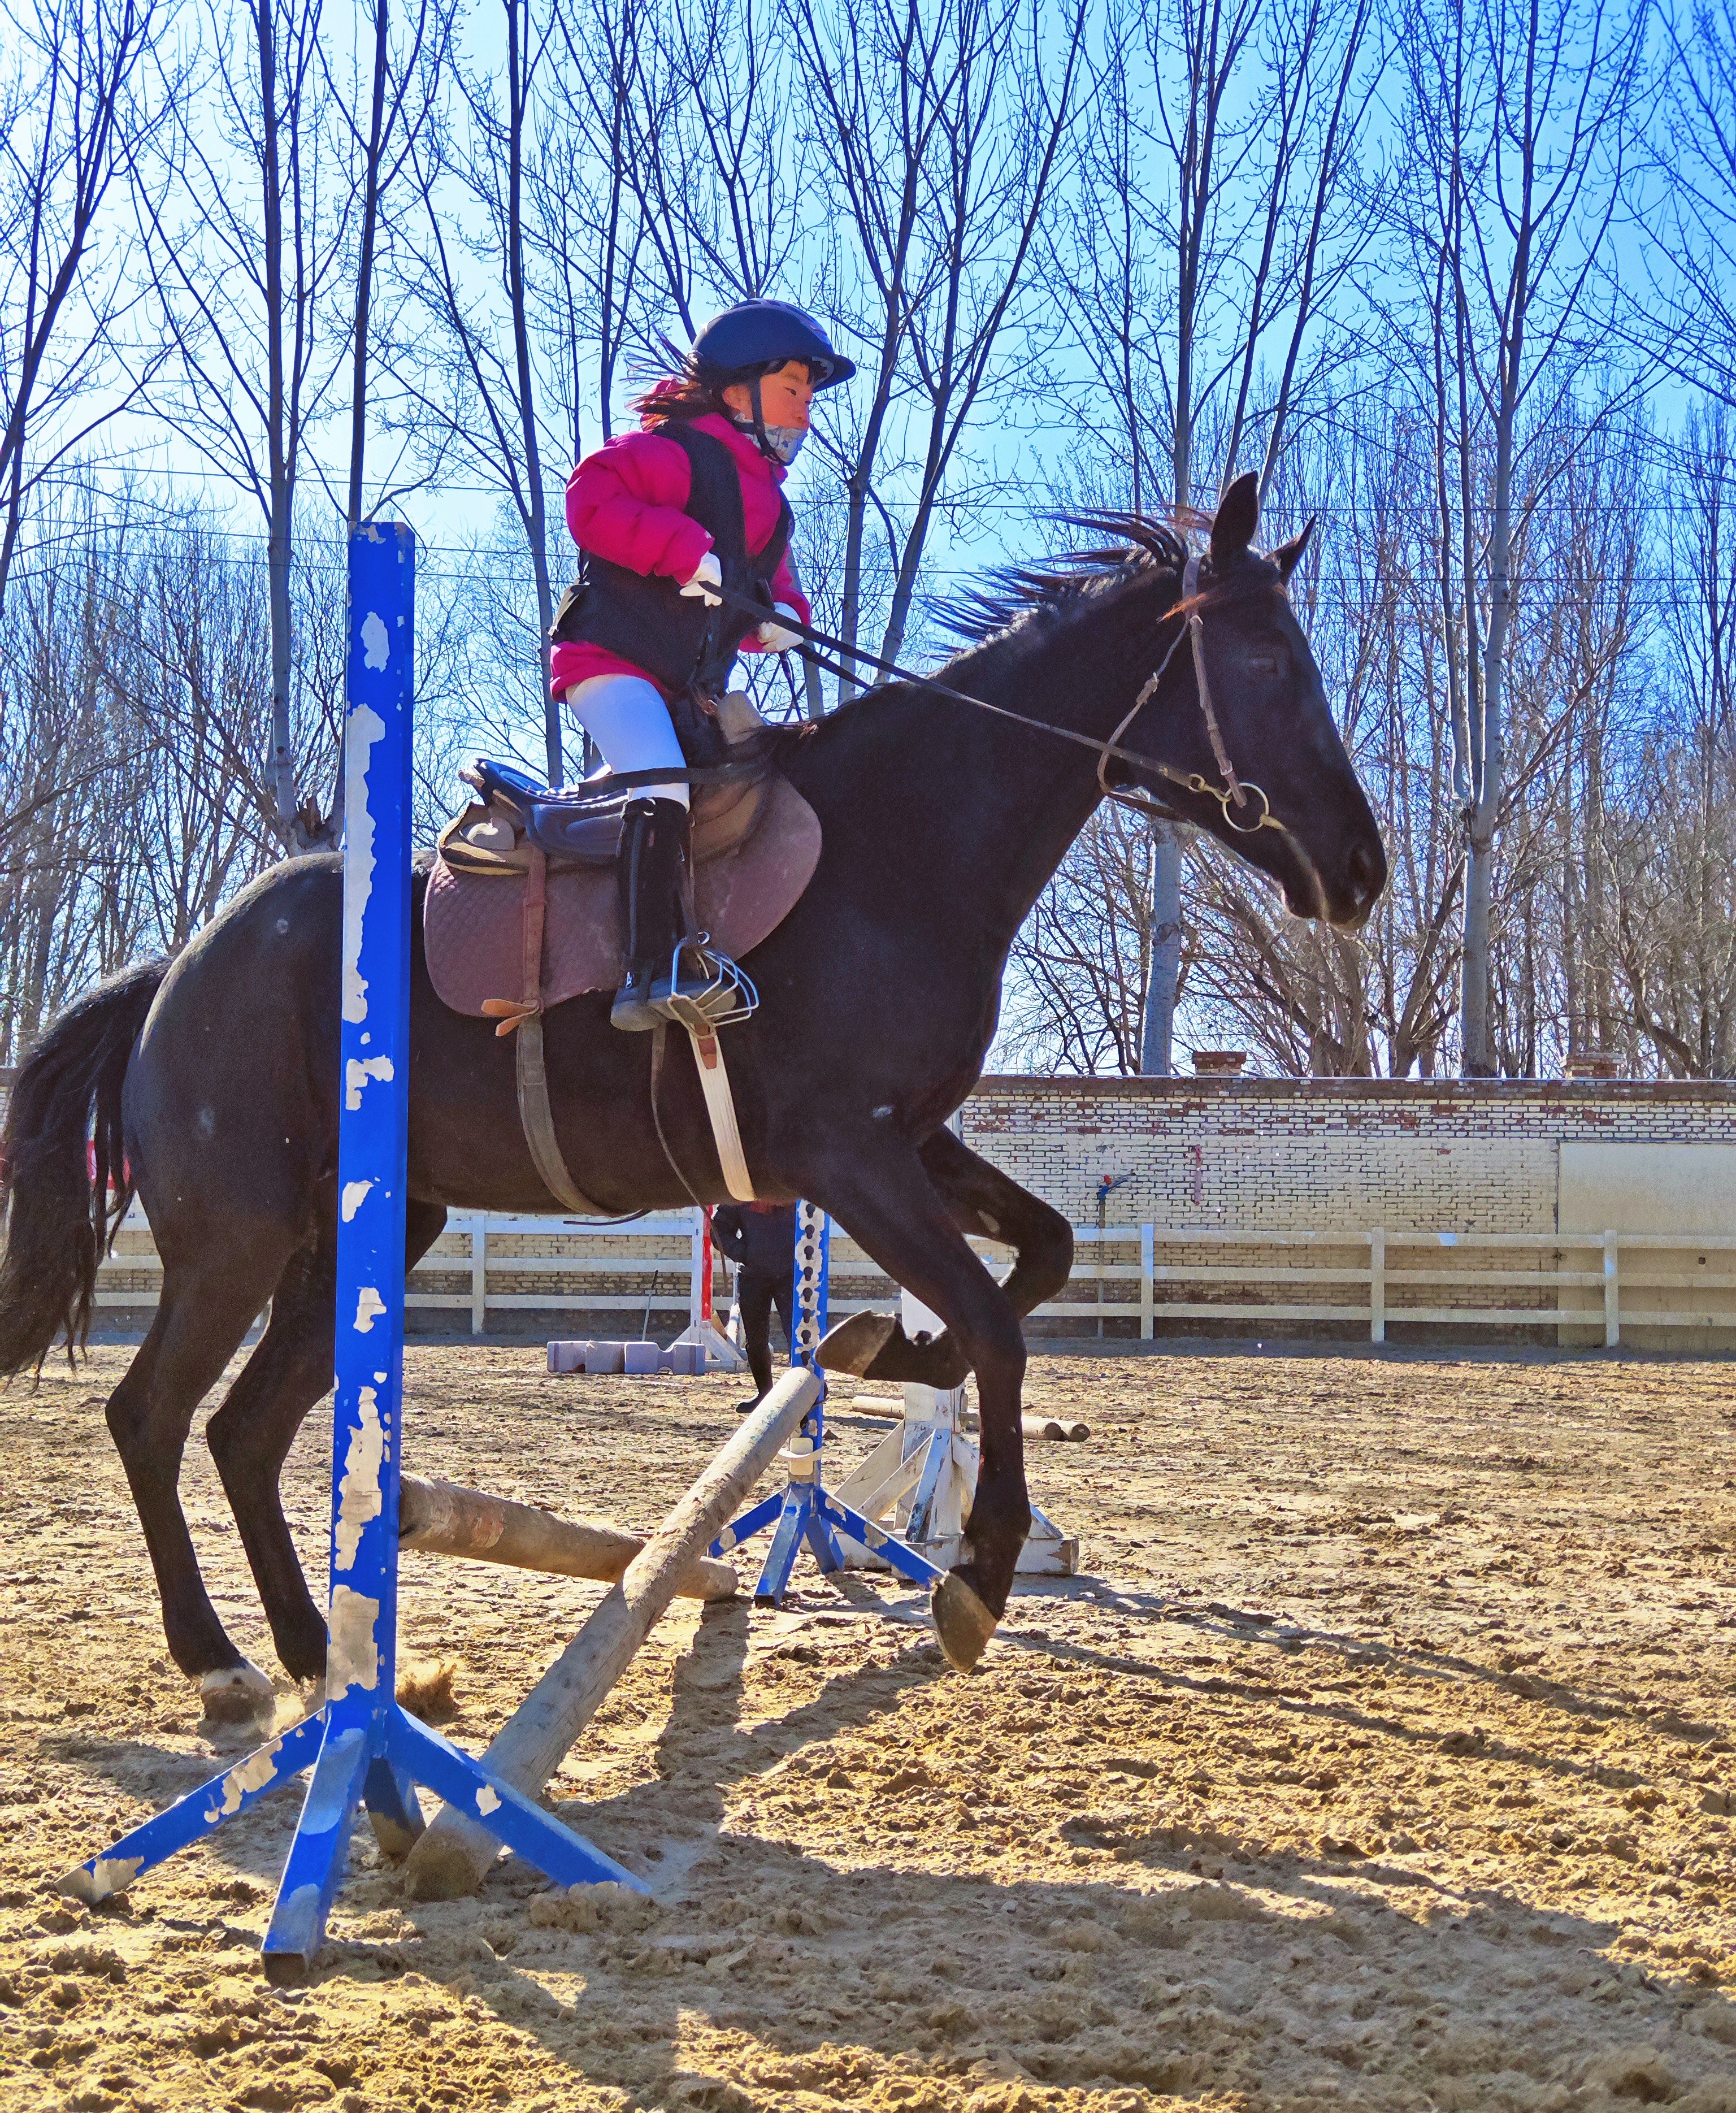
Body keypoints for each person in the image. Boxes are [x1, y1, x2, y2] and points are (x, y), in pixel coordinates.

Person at [550, 300, 855, 1031]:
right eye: (792, 393)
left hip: (689, 691)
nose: (804, 415)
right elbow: (590, 497)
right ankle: (649, 972)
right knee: (660, 780)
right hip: (610, 662)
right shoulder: (673, 454)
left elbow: (764, 593)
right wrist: (682, 549)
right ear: (736, 391)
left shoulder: (772, 510)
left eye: (808, 398)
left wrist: (785, 621)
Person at [710, 1200, 798, 1413]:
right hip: (754, 1275)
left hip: (794, 1275)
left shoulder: (795, 1188)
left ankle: (804, 1394)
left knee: (798, 1336)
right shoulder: (743, 1193)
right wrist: (745, 1253)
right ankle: (765, 1394)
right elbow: (719, 1230)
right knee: (756, 1339)